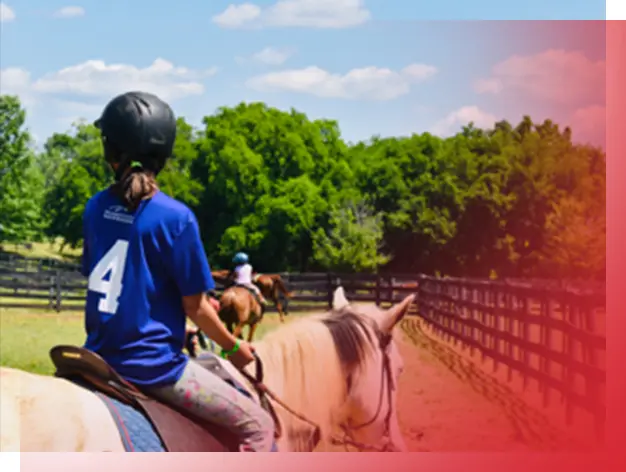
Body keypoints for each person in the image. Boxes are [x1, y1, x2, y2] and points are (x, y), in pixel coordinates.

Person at [81, 91, 275, 452]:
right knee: (259, 426)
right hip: (152, 368)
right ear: (163, 153)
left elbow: (117, 285)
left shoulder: (94, 208)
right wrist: (233, 347)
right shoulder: (175, 217)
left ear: (111, 152)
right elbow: (197, 308)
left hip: (96, 357)